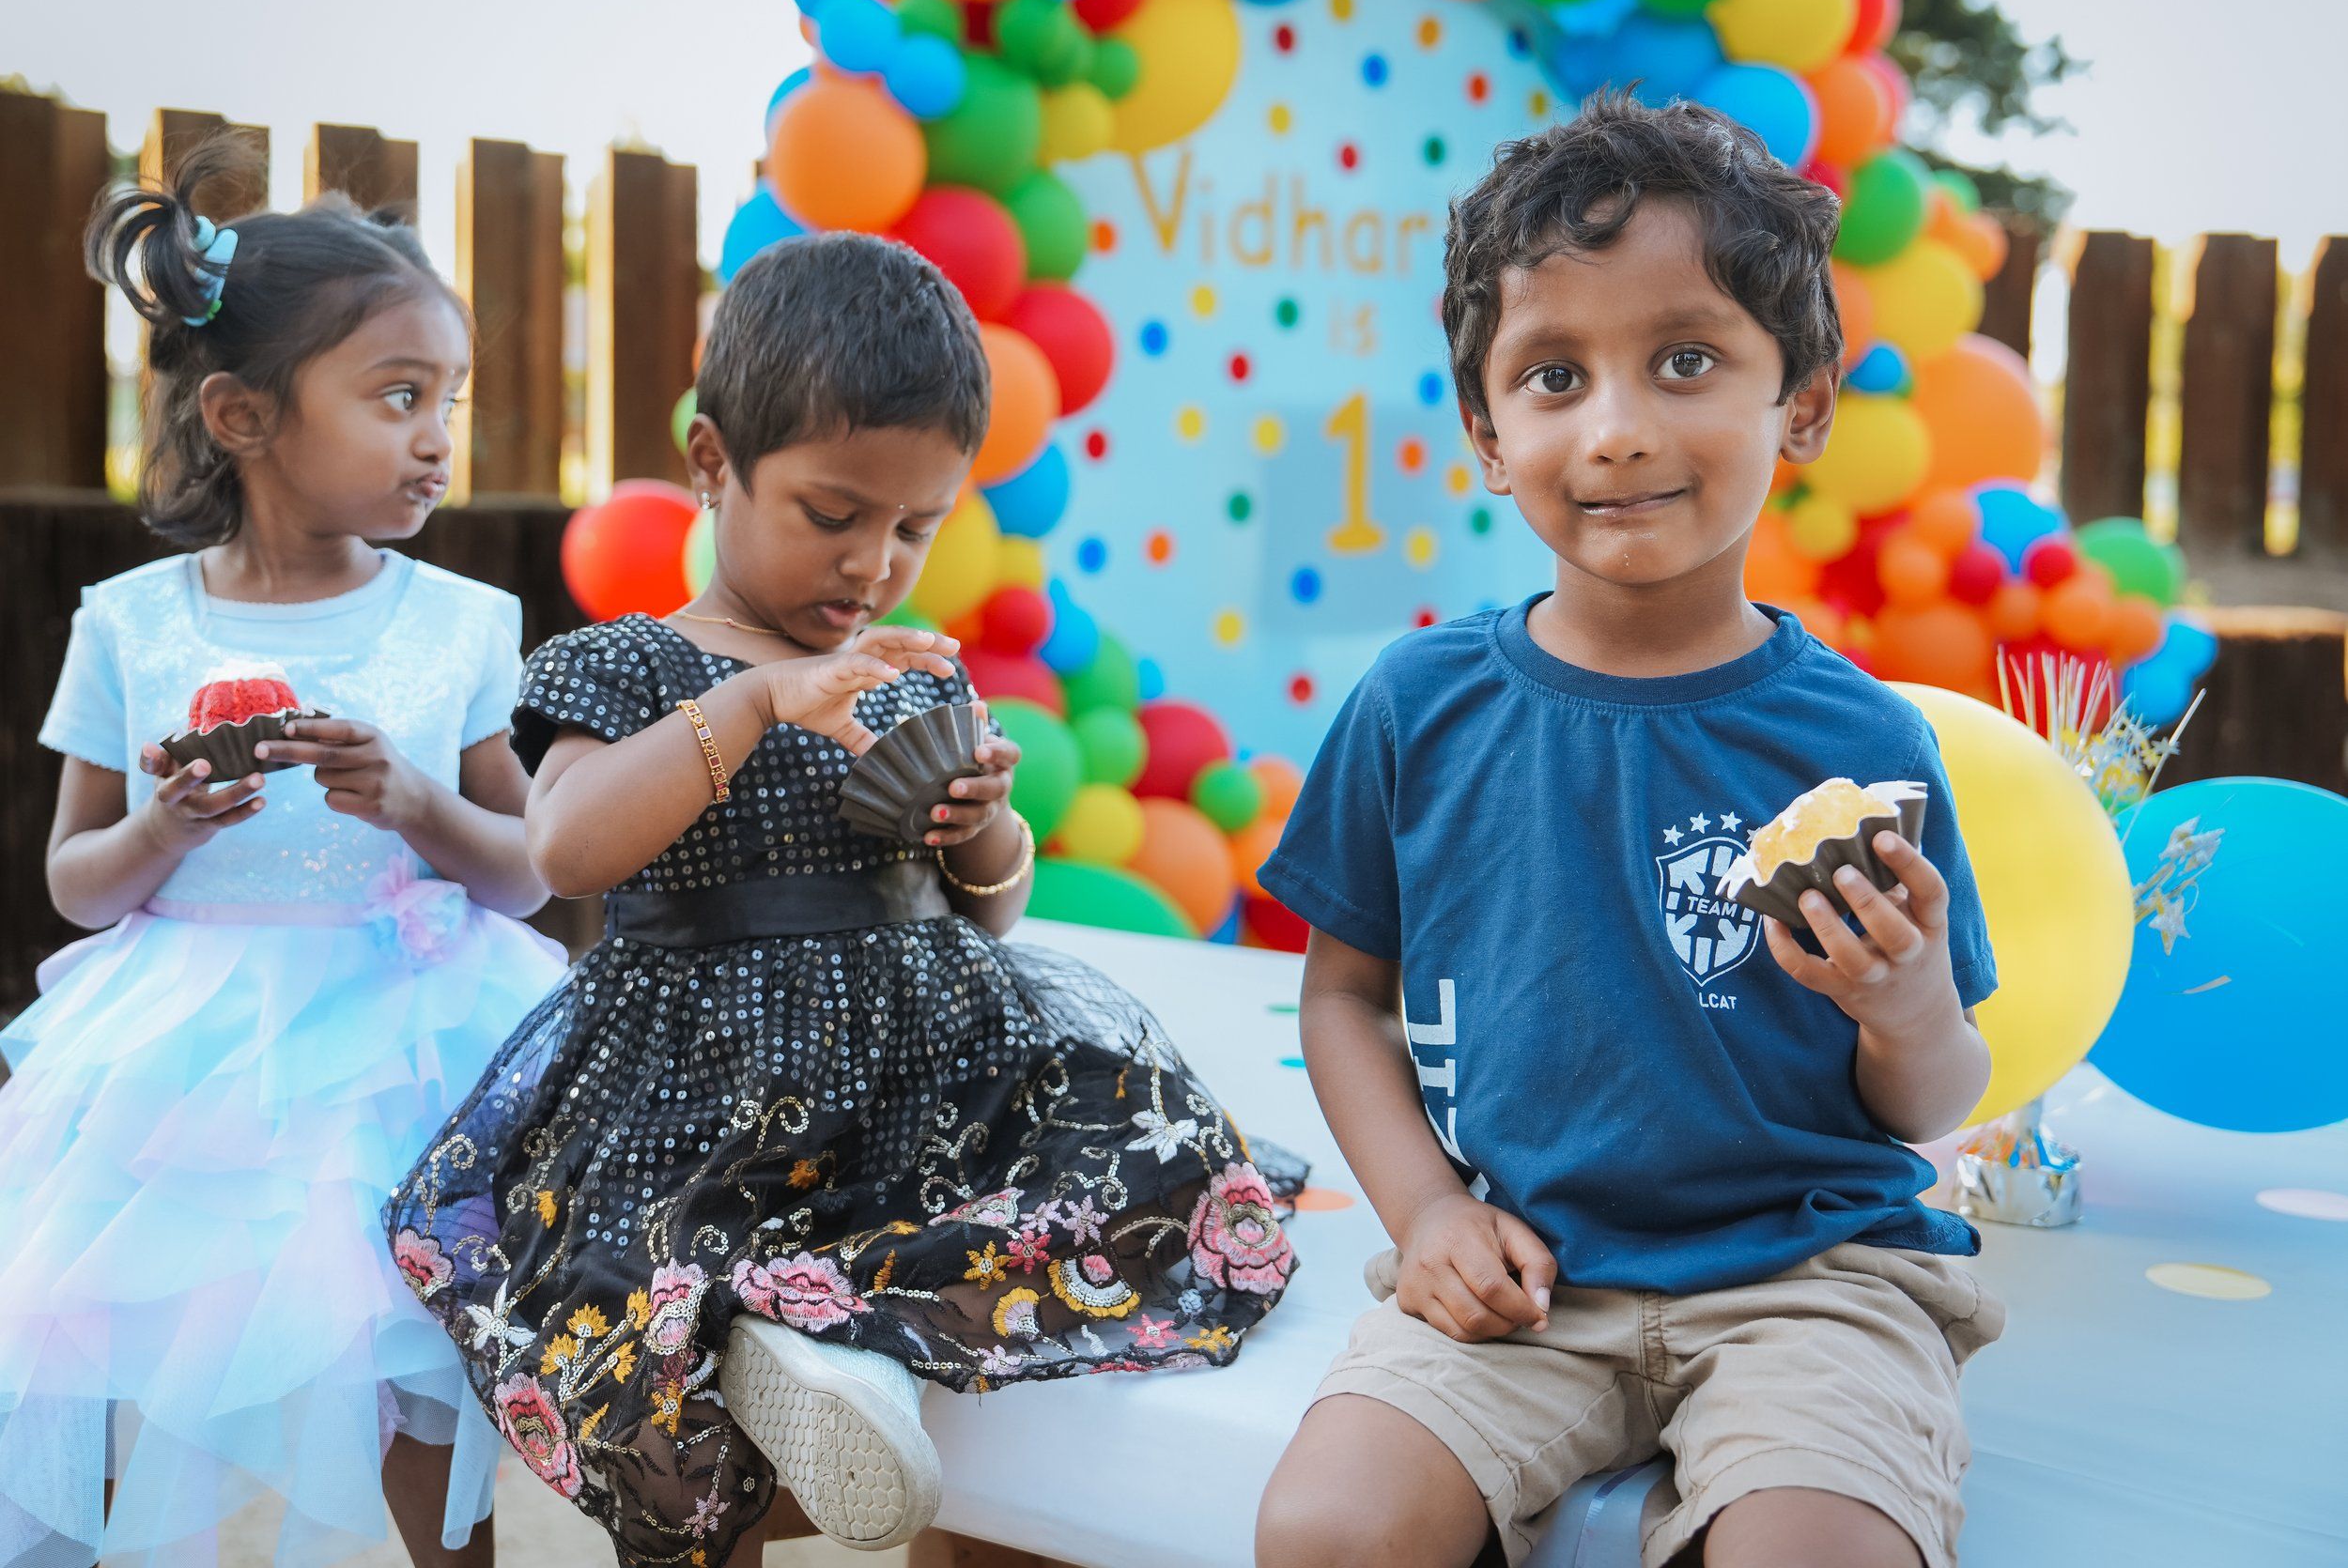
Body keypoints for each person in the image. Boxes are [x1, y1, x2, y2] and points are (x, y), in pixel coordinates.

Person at [385, 232, 1300, 1568]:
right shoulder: (631, 664)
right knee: (648, 1341)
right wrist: (755, 702)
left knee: (1134, 1178)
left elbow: (986, 913)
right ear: (714, 464)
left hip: (917, 1084)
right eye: (832, 515)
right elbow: (566, 848)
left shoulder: (910, 671)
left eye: (915, 528)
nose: (874, 563)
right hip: (711, 1102)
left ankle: (839, 1347)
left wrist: (981, 828)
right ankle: (779, 1347)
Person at [1253, 95, 2004, 1568]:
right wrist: (1427, 1215)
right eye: (1554, 376)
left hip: (1813, 1277)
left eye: (1686, 361)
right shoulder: (1417, 705)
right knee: (1329, 1529)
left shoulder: (1864, 743)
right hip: (1525, 1269)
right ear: (1487, 433)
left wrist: (1905, 1001)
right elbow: (1343, 998)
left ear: (1802, 404)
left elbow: (1931, 1098)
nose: (1616, 431)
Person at [0, 138, 564, 1568]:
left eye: (447, 401)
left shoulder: (460, 621)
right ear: (243, 414)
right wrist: (163, 828)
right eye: (397, 397)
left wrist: (420, 805)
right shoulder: (133, 623)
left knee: (421, 1380)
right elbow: (73, 884)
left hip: (406, 1058)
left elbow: (528, 870)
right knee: (110, 1359)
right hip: (187, 1075)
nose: (436, 437)